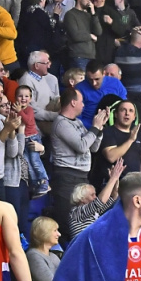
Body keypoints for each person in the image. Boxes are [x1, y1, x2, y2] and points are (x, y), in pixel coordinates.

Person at [51, 87, 107, 236]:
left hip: (81, 177)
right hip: (66, 177)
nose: (84, 105)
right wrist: (95, 127)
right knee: (67, 221)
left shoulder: (78, 122)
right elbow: (82, 146)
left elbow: (93, 147)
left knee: (83, 221)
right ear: (73, 103)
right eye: (81, 102)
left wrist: (100, 128)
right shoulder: (61, 123)